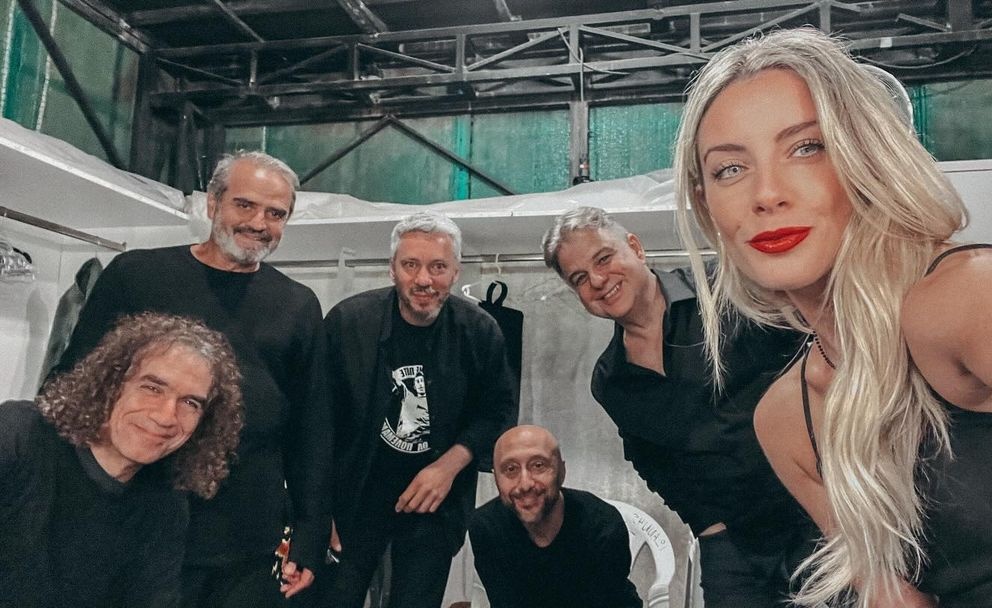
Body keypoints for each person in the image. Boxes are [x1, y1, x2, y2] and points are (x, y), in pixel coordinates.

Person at [672, 27, 992, 607]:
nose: (766, 194)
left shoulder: (974, 297)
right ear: (706, 203)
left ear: (868, 156)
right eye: (729, 169)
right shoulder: (787, 419)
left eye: (807, 147)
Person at [54, 151, 333, 606]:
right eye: (245, 205)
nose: (259, 223)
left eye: (275, 213)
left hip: (243, 535)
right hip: (132, 517)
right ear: (212, 203)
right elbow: (73, 386)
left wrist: (310, 531)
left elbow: (312, 428)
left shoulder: (298, 304)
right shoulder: (136, 275)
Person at [542, 206, 813, 607]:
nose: (598, 280)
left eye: (604, 258)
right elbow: (650, 460)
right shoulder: (611, 380)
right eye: (579, 278)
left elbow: (818, 353)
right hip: (735, 548)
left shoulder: (726, 286)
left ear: (636, 248)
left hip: (818, 514)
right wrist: (707, 526)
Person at [323, 211, 517, 608]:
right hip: (352, 498)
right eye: (410, 265)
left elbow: (497, 410)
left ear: (456, 272)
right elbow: (316, 420)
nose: (423, 279)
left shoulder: (480, 331)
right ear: (392, 268)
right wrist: (316, 512)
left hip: (435, 506)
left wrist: (448, 466)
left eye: (438, 267)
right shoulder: (348, 323)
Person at [1, 312, 244, 608]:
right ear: (111, 384)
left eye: (190, 403)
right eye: (152, 388)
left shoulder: (165, 505)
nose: (167, 416)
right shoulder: (19, 435)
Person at [469, 425, 642, 608]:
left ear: (562, 471)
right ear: (496, 478)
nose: (525, 484)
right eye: (511, 469)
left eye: (538, 465)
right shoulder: (487, 528)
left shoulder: (602, 526)